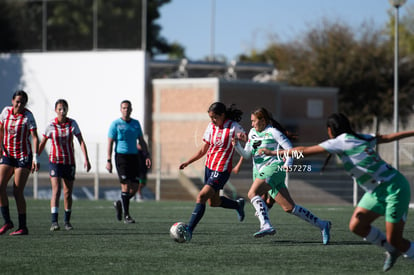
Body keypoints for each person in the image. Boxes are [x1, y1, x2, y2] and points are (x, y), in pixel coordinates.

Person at [259, 113, 414, 271]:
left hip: (394, 189)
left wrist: (273, 153)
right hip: (376, 191)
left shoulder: (343, 141)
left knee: (395, 239)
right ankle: (392, 250)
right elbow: (388, 137)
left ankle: (394, 247)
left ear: (330, 130)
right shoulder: (358, 137)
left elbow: (304, 151)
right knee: (357, 225)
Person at [233, 107, 331, 242]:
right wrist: (236, 146)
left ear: (263, 120)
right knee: (289, 208)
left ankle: (265, 225)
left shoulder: (273, 132)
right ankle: (323, 224)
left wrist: (288, 164)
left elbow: (289, 149)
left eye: (254, 121)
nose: (252, 124)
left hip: (274, 168)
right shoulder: (252, 133)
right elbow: (247, 154)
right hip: (259, 171)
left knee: (252, 193)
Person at [179, 102, 246, 241]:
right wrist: (188, 162)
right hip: (209, 167)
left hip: (221, 169)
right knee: (213, 202)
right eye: (210, 117)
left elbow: (246, 138)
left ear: (222, 115)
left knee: (201, 197)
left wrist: (243, 137)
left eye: (215, 117)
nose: (212, 120)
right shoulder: (211, 127)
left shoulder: (233, 126)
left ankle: (189, 230)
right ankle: (237, 204)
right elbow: (203, 149)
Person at [38, 99, 91, 231]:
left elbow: (81, 141)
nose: (62, 111)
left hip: (69, 162)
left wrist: (86, 159)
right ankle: (54, 222)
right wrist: (35, 158)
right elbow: (43, 142)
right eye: (60, 109)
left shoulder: (72, 124)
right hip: (55, 161)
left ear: (67, 110)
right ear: (56, 110)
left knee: (68, 192)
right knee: (56, 190)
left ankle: (67, 221)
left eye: (64, 109)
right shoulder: (50, 125)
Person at [0, 90, 40, 236]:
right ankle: (7, 222)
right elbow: (0, 129)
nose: (19, 104)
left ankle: (23, 227)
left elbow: (35, 137)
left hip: (23, 157)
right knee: (0, 186)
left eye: (22, 102)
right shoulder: (5, 112)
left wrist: (35, 158)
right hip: (8, 155)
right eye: (17, 101)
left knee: (17, 191)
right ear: (12, 101)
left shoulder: (28, 116)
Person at [106, 100, 151, 224]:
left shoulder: (136, 124)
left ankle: (120, 203)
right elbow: (110, 142)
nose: (126, 110)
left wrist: (147, 155)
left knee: (136, 186)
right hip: (121, 157)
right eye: (124, 108)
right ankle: (127, 215)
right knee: (125, 185)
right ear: (121, 109)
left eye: (128, 108)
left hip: (134, 157)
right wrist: (108, 160)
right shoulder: (115, 124)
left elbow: (141, 141)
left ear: (131, 109)